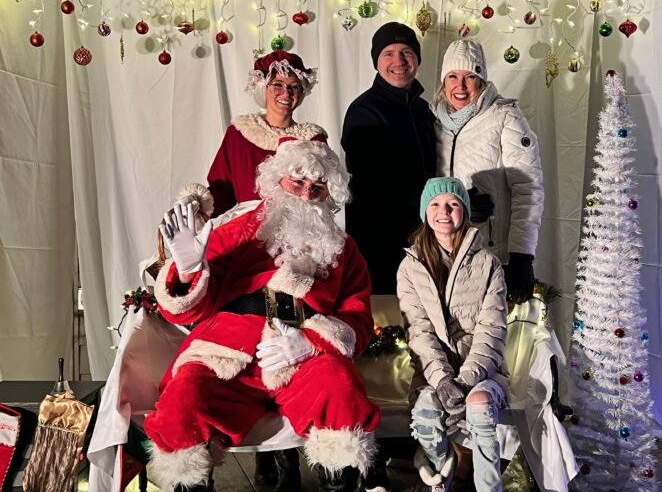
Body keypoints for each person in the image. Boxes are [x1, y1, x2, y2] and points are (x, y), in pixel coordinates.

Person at [144, 137, 380, 492]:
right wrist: (189, 270)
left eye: (317, 188)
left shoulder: (343, 249)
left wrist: (312, 343)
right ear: (277, 181)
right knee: (184, 397)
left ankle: (341, 481)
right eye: (296, 183)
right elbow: (185, 310)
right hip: (227, 352)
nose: (305, 194)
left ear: (329, 194)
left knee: (339, 385)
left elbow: (358, 317)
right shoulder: (238, 230)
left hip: (301, 357)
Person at [398, 177, 509, 492]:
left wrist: (467, 378)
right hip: (433, 374)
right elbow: (418, 330)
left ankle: (489, 486)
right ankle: (440, 475)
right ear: (425, 212)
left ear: (465, 211)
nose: (443, 211)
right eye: (435, 204)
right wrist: (442, 379)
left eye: (453, 204)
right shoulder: (410, 267)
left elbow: (492, 330)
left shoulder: (489, 264)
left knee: (481, 402)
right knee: (427, 411)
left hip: (482, 371)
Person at [432, 39, 544, 304]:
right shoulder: (434, 122)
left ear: (482, 80)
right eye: (453, 76)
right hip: (443, 256)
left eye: (470, 76)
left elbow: (528, 189)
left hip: (492, 255)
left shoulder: (506, 117)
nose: (460, 86)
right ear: (443, 81)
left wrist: (521, 257)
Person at [341, 22, 436, 295]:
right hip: (379, 242)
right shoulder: (364, 110)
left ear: (417, 58)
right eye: (388, 53)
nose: (399, 61)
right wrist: (434, 204)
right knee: (387, 324)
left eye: (406, 51)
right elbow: (376, 182)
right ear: (376, 61)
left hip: (424, 237)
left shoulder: (424, 109)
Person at [205, 50, 326, 218]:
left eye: (294, 86)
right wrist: (198, 205)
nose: (286, 93)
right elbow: (222, 189)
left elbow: (321, 195)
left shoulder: (312, 139)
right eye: (278, 84)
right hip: (246, 233)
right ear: (263, 87)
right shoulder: (239, 134)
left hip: (296, 234)